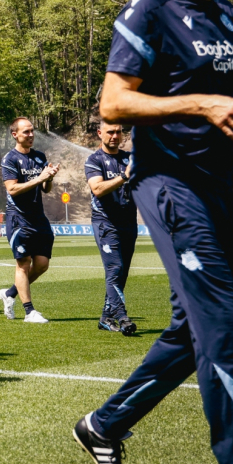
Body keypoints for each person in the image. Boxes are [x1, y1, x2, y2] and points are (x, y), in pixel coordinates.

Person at [74, 0, 233, 464]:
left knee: (192, 331)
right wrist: (198, 102)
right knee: (220, 321)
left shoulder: (228, 18)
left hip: (216, 193)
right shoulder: (150, 11)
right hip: (168, 187)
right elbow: (114, 103)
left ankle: (104, 425)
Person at [0, 117, 58, 324]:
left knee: (42, 265)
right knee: (23, 263)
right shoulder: (10, 159)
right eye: (26, 132)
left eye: (32, 131)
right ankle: (29, 311)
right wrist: (39, 178)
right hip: (18, 219)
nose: (31, 135)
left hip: (38, 218)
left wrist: (48, 179)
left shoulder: (40, 157)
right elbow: (12, 189)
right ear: (15, 135)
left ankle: (10, 293)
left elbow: (45, 189)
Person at [85, 119, 138, 336]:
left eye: (118, 132)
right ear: (100, 133)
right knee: (114, 268)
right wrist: (125, 175)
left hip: (129, 222)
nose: (115, 136)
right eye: (110, 132)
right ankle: (122, 316)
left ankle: (106, 318)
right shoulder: (94, 160)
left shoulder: (129, 158)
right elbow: (97, 188)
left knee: (122, 272)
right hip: (105, 222)